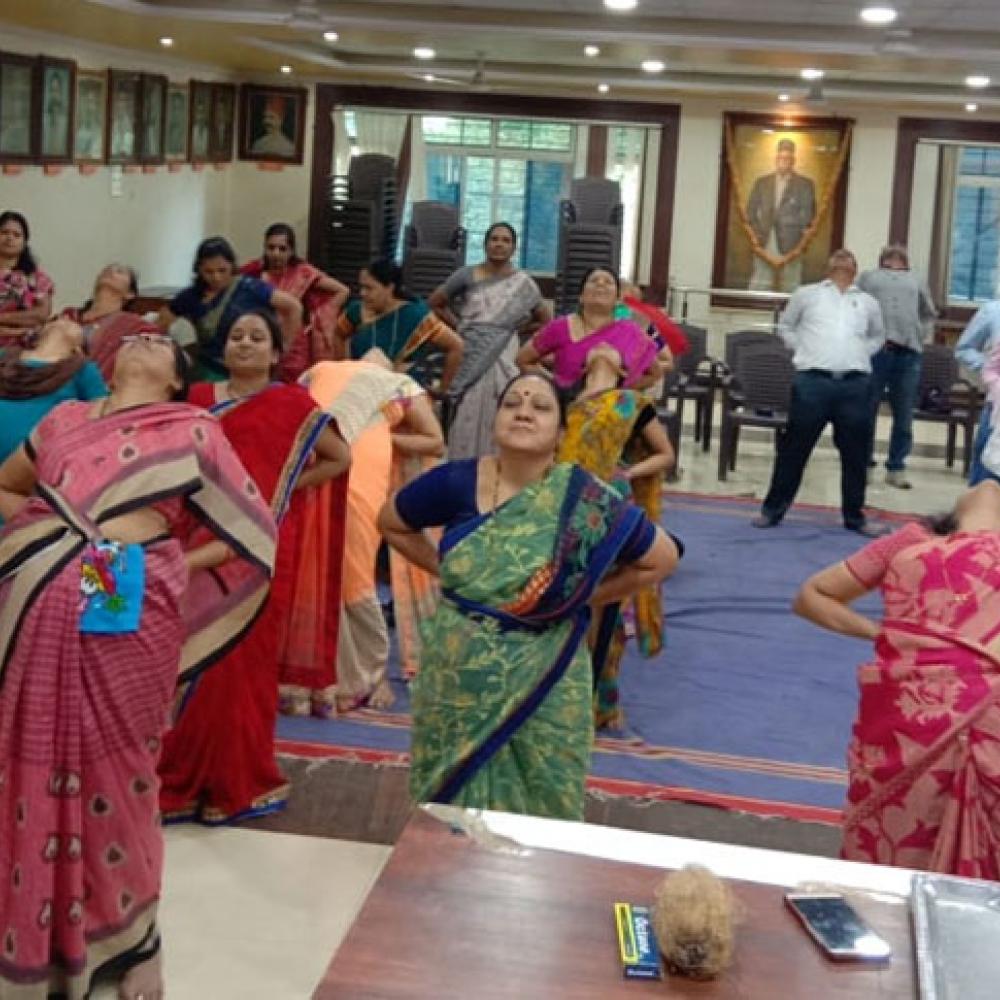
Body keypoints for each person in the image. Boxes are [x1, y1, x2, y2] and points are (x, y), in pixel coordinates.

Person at [0, 331, 276, 1000]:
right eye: (135, 335)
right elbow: (8, 485)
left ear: (178, 379)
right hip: (36, 599)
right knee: (27, 759)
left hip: (121, 591)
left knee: (121, 766)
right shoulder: (64, 419)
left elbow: (250, 532)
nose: (146, 337)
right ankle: (32, 936)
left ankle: (134, 940)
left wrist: (163, 564)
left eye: (160, 340)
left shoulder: (193, 430)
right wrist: (46, 531)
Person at [378, 372, 679, 819]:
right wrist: (450, 573)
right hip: (458, 676)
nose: (523, 412)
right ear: (495, 421)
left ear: (560, 433)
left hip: (548, 674)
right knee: (449, 807)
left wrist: (580, 596)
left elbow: (661, 558)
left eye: (540, 406)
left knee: (544, 799)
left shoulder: (584, 498)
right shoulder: (455, 482)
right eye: (512, 403)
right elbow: (392, 523)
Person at [158, 310, 350, 824]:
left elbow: (339, 458)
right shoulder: (197, 399)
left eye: (257, 337)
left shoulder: (292, 405)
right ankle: (180, 777)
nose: (245, 344)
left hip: (259, 550)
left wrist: (279, 495)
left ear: (275, 353)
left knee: (243, 666)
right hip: (194, 544)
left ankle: (235, 782)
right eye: (236, 336)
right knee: (189, 659)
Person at [793, 481, 1000, 879]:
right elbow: (811, 597)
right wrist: (894, 636)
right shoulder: (914, 540)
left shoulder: (910, 546)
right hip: (919, 717)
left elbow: (812, 596)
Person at [297, 359, 445, 713]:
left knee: (347, 560)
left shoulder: (392, 383)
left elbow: (435, 442)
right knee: (320, 558)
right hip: (322, 455)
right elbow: (436, 441)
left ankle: (360, 676)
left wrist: (375, 432)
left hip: (344, 459)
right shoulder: (391, 381)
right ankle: (326, 677)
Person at [557, 345, 677, 728]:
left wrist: (629, 472)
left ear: (624, 369)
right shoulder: (569, 406)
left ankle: (603, 699)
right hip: (568, 505)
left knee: (608, 601)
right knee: (569, 596)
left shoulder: (632, 403)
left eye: (612, 348)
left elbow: (665, 454)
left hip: (612, 507)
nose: (603, 347)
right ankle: (566, 694)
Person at [753, 249, 885, 535]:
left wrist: (862, 353)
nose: (842, 260)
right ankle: (772, 510)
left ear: (855, 269)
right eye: (837, 257)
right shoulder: (806, 294)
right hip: (813, 382)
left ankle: (855, 517)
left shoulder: (868, 302)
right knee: (794, 449)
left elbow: (878, 336)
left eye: (848, 258)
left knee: (856, 455)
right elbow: (786, 326)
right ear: (827, 267)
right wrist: (801, 349)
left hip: (854, 385)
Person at [429, 222, 551, 459]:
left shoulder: (523, 284)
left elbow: (545, 319)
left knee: (503, 402)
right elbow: (436, 303)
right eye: (494, 239)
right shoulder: (466, 275)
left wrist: (515, 329)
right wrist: (459, 327)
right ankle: (463, 463)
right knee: (466, 405)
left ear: (513, 247)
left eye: (506, 240)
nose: (499, 244)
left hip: (504, 352)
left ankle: (499, 465)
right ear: (485, 244)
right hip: (470, 349)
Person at [159, 236, 302, 380]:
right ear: (199, 270)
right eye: (209, 272)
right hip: (210, 370)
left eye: (222, 270)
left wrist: (284, 347)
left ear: (232, 267)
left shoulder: (250, 288)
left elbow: (294, 307)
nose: (216, 277)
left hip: (252, 367)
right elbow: (163, 321)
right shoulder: (192, 296)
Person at [859, 245, 938, 490]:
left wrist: (920, 334)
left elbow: (928, 312)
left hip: (908, 353)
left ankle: (896, 467)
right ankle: (864, 465)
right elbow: (856, 306)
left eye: (899, 257)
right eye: (890, 257)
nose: (895, 260)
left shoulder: (916, 279)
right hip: (876, 352)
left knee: (904, 414)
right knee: (866, 411)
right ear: (882, 259)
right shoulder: (869, 277)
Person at [516, 267, 661, 392]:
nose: (600, 284)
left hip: (612, 411)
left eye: (608, 282)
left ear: (617, 300)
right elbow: (524, 360)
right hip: (566, 408)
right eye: (593, 280)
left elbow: (654, 374)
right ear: (581, 296)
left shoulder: (630, 332)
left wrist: (620, 392)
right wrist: (554, 388)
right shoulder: (559, 327)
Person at [335, 258, 462, 394]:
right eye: (361, 287)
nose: (362, 293)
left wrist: (442, 389)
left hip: (403, 392)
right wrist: (344, 368)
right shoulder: (357, 310)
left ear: (389, 287)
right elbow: (339, 334)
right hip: (361, 388)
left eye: (369, 288)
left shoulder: (415, 315)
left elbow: (456, 346)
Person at [241, 222, 349, 380]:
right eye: (271, 248)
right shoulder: (254, 273)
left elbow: (342, 291)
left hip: (296, 349)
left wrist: (320, 315)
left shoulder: (302, 274)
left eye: (282, 249)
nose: (276, 253)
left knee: (294, 387)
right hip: (263, 341)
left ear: (291, 251)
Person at [0, 318, 107, 464]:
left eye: (75, 326)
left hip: (29, 462)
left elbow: (103, 415)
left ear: (78, 349)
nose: (65, 321)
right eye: (55, 320)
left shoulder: (82, 369)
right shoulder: (5, 356)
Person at [61, 263, 155, 380]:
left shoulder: (137, 327)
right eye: (106, 270)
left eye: (119, 271)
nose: (110, 271)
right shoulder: (69, 315)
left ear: (130, 294)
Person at [747, 138, 816, 292]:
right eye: (781, 157)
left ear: (793, 160)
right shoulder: (762, 183)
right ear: (776, 159)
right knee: (760, 283)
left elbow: (809, 216)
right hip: (764, 241)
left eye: (787, 158)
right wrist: (756, 234)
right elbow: (750, 212)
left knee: (791, 285)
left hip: (792, 244)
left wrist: (800, 238)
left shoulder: (805, 185)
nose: (784, 161)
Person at [956, 296, 1000, 485]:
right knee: (986, 478)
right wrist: (991, 372)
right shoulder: (993, 311)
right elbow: (964, 349)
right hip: (996, 409)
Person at [0, 211, 53, 346]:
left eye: (16, 235)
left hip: (23, 346)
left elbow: (41, 314)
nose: (10, 238)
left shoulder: (37, 279)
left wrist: (3, 318)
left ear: (24, 243)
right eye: (4, 232)